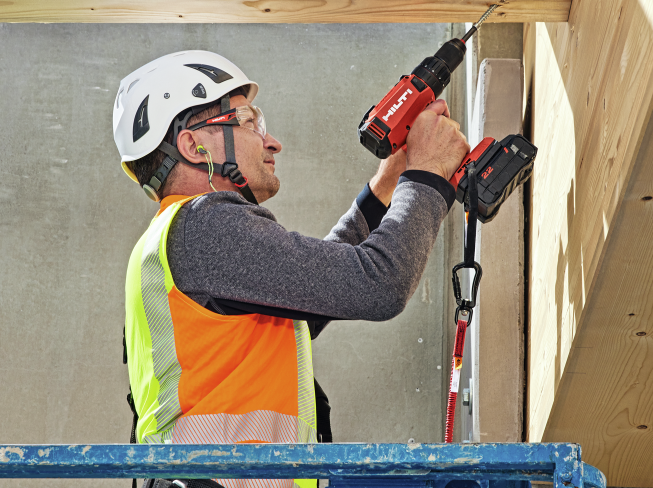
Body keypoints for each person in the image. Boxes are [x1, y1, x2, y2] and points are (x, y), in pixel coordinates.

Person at [112, 51, 468, 488]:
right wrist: (428, 173)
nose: (272, 142)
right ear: (193, 146)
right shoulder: (205, 225)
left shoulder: (175, 240)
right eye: (249, 121)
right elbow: (380, 284)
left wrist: (388, 185)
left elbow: (312, 300)